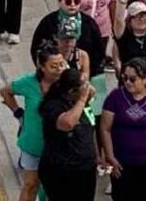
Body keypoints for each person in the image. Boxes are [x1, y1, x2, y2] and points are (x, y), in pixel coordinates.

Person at [100, 57, 146, 201]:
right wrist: (110, 156)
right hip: (121, 162)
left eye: (133, 79)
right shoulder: (115, 96)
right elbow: (105, 128)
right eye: (125, 78)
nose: (127, 82)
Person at [0, 42, 67, 201]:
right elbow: (5, 91)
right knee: (31, 184)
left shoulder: (67, 83)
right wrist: (18, 113)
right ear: (42, 67)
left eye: (61, 64)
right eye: (53, 66)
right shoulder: (28, 82)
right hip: (32, 144)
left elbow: (88, 92)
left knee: (53, 188)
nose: (58, 70)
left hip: (58, 147)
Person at [38, 68, 98, 201]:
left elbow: (90, 129)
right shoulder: (54, 105)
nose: (86, 89)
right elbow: (67, 124)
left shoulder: (83, 102)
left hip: (85, 168)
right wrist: (81, 99)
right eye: (83, 86)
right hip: (62, 170)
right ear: (71, 92)